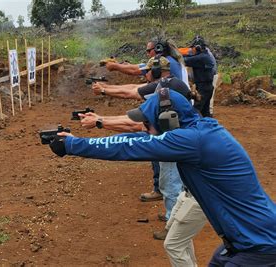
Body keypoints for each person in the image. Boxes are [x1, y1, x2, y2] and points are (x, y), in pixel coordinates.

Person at [49, 88, 276, 266]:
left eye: (148, 122)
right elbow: (137, 137)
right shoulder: (200, 130)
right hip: (243, 241)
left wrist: (72, 144)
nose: (144, 127)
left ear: (169, 119)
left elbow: (129, 147)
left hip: (259, 245)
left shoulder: (191, 140)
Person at [83, 56, 190, 224]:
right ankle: (173, 214)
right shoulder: (168, 84)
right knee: (170, 182)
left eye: (147, 71)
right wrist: (103, 104)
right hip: (174, 139)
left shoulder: (165, 88)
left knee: (171, 185)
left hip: (173, 142)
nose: (144, 74)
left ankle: (173, 223)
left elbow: (136, 123)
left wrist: (100, 120)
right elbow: (134, 88)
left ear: (155, 71)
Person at [183, 36, 216, 117]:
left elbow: (185, 60)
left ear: (197, 48)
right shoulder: (205, 55)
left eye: (193, 48)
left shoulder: (201, 57)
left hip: (203, 88)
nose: (191, 50)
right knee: (205, 112)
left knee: (195, 110)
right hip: (206, 87)